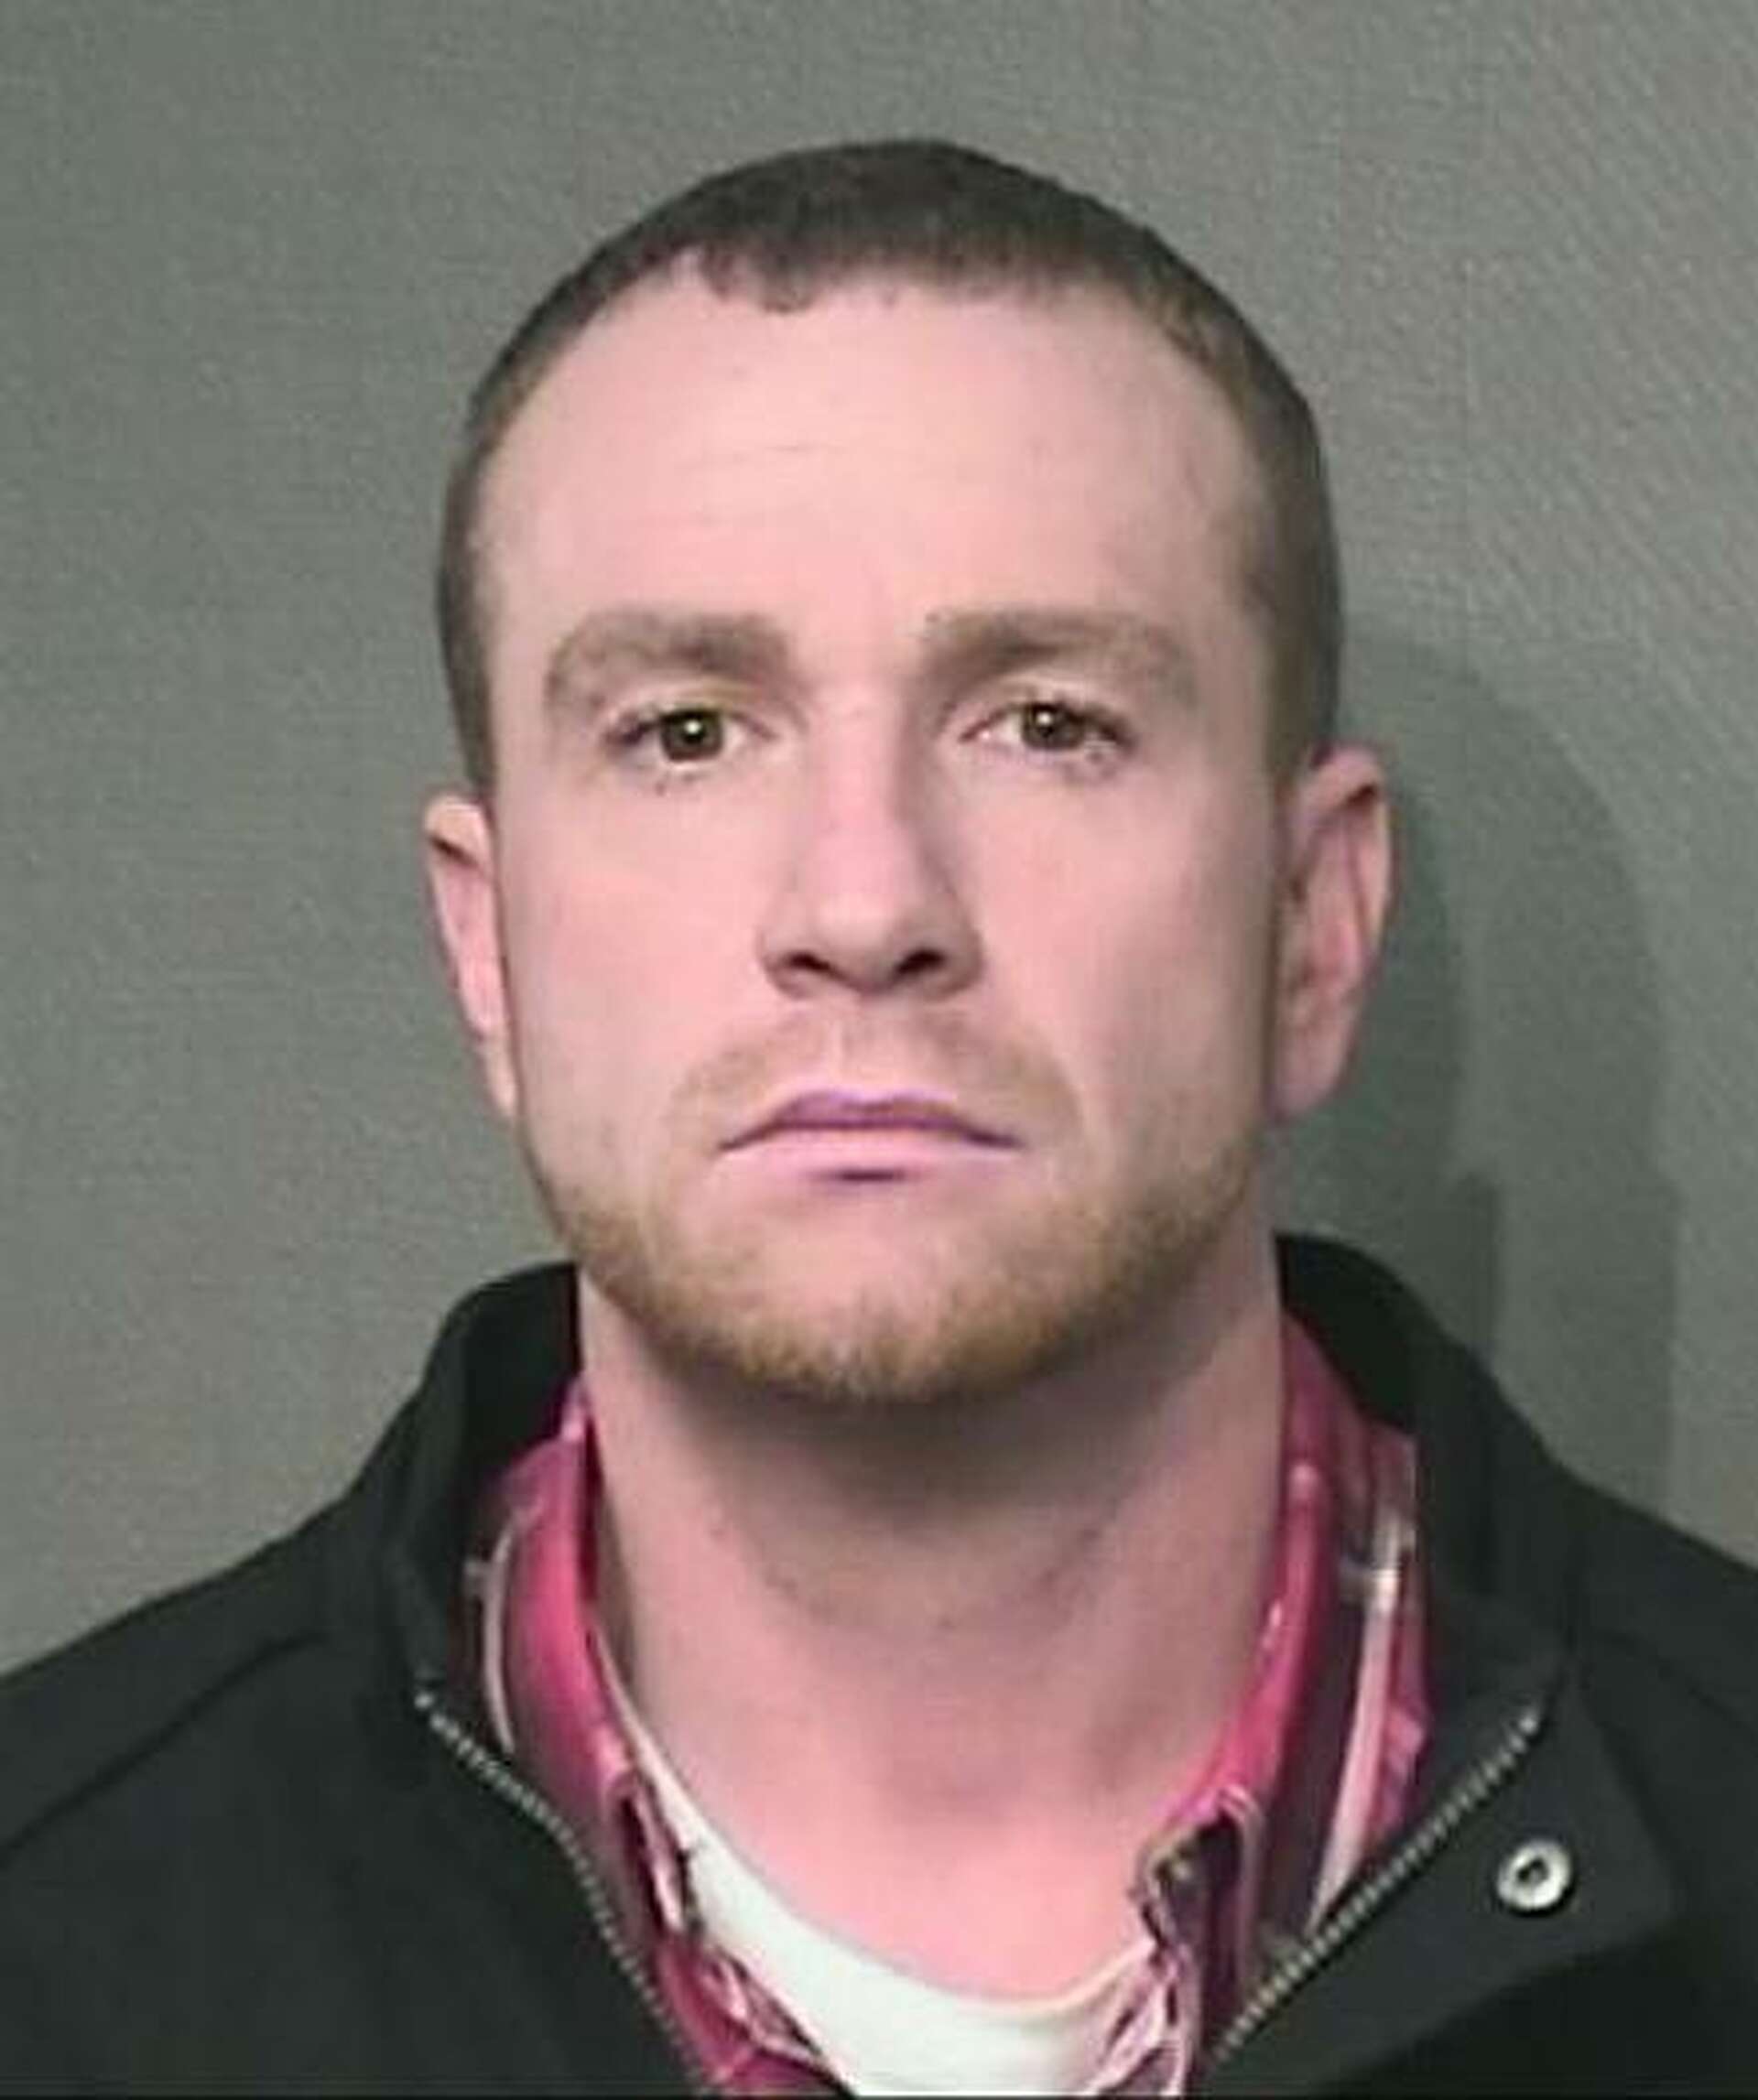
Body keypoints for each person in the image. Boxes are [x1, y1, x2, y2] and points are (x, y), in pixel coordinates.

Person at [1, 138, 1753, 2097]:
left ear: (1314, 926)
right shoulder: (55, 1953)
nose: (861, 903)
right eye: (684, 732)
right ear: (487, 949)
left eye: (1049, 723)